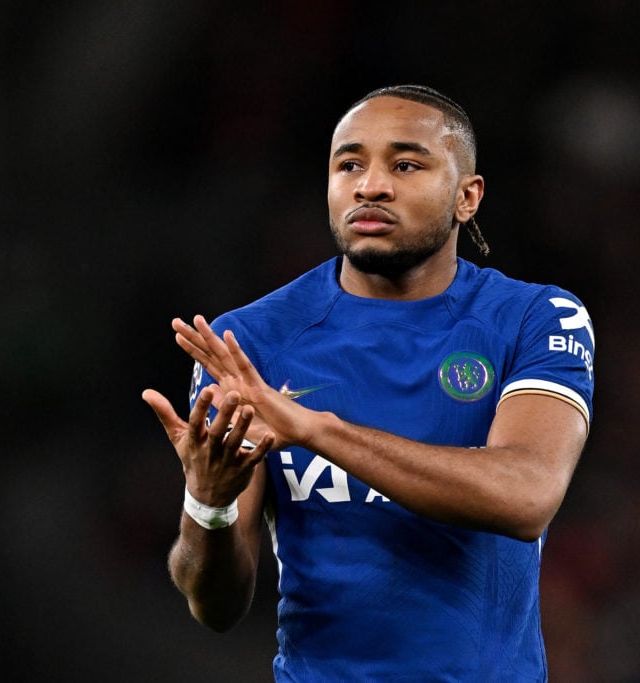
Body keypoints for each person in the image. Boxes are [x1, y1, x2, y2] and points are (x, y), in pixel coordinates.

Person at [142, 84, 595, 681]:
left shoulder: (535, 318)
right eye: (349, 164)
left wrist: (319, 431)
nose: (370, 185)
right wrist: (209, 502)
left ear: (467, 197)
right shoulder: (248, 343)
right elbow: (217, 607)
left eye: (405, 164)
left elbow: (527, 494)